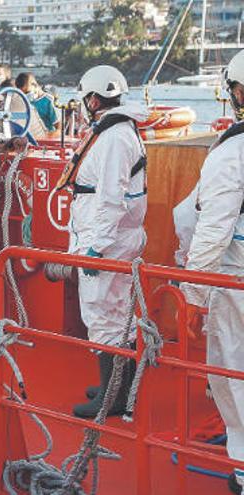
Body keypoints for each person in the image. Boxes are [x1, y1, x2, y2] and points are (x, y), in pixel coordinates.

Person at [62, 65, 147, 418]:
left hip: (108, 241)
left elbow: (113, 198)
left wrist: (96, 249)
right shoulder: (118, 132)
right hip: (114, 236)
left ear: (94, 99)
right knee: (115, 313)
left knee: (101, 314)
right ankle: (119, 387)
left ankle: (111, 398)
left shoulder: (113, 138)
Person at [181, 50, 244, 495]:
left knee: (231, 369)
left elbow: (212, 231)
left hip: (234, 279)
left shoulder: (233, 153)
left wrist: (193, 297)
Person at [15, 72, 59, 137]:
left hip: (45, 138)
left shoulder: (48, 101)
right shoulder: (21, 100)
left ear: (35, 85)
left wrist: (47, 137)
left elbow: (59, 128)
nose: (25, 96)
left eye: (27, 92)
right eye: (22, 93)